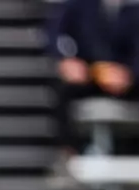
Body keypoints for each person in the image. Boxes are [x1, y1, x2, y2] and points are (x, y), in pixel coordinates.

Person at [44, 0, 138, 180]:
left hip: (127, 78)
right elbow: (55, 32)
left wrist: (130, 74)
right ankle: (68, 154)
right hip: (89, 74)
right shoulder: (79, 5)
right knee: (65, 90)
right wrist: (66, 60)